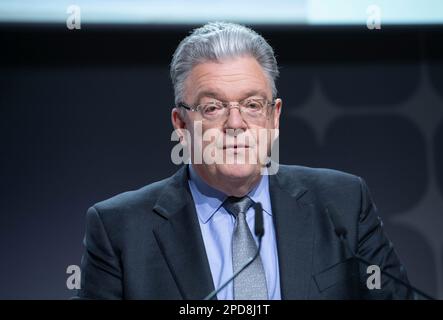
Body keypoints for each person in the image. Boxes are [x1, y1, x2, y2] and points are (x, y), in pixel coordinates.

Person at [77, 22, 411, 300]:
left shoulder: (344, 203)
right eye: (213, 107)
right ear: (181, 125)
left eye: (252, 105)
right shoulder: (120, 229)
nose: (235, 124)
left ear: (274, 117)